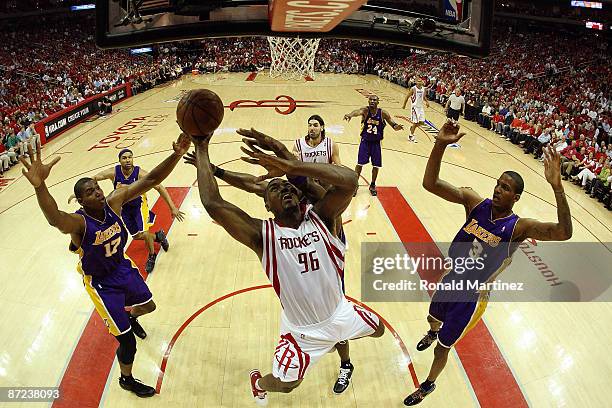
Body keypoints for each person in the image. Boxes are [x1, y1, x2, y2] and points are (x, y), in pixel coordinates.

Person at [186, 129, 385, 405]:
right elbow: (213, 203)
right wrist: (202, 148)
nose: (285, 189)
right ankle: (259, 383)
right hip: (303, 332)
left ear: (300, 195)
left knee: (380, 330)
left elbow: (350, 182)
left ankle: (341, 355)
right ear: (267, 205)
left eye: (289, 187)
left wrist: (290, 163)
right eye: (275, 189)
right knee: (287, 384)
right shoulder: (262, 236)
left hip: (340, 313)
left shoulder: (323, 218)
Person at [403, 121, 572, 406]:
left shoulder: (519, 228)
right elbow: (429, 184)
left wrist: (557, 187)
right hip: (450, 279)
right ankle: (432, 331)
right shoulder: (474, 202)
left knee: (443, 349)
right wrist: (440, 145)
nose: (497, 189)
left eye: (505, 188)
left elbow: (563, 233)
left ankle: (429, 384)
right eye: (497, 184)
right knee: (432, 319)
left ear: (515, 197)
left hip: (472, 296)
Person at [21, 135, 191, 397]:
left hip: (122, 267)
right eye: (89, 192)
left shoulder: (113, 202)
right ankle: (127, 379)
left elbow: (151, 180)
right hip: (101, 283)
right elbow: (55, 218)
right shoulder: (79, 224)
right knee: (127, 340)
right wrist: (40, 185)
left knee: (149, 305)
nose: (97, 192)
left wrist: (177, 154)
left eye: (96, 188)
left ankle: (130, 316)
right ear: (81, 201)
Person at [68, 148, 185, 273]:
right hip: (123, 208)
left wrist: (172, 207)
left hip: (139, 205)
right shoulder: (113, 172)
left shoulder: (139, 173)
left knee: (144, 233)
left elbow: (159, 186)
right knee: (136, 236)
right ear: (119, 161)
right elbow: (95, 178)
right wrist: (80, 193)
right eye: (124, 158)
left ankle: (151, 255)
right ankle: (158, 236)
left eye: (130, 157)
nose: (128, 160)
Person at [343, 94, 404, 196]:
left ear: (378, 102)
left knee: (376, 165)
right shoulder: (365, 111)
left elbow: (392, 123)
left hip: (376, 143)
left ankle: (372, 184)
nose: (372, 101)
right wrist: (349, 115)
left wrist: (397, 126)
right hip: (365, 142)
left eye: (374, 100)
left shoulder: (383, 113)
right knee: (359, 164)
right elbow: (356, 112)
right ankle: (355, 185)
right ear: (368, 101)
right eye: (370, 100)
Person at [402, 77, 430, 143]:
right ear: (416, 82)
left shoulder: (424, 89)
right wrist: (404, 105)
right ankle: (410, 136)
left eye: (421, 81)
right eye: (418, 81)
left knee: (422, 122)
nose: (420, 82)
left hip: (421, 107)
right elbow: (407, 97)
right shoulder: (413, 89)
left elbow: (423, 97)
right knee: (416, 122)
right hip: (415, 107)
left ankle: (412, 128)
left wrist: (427, 102)